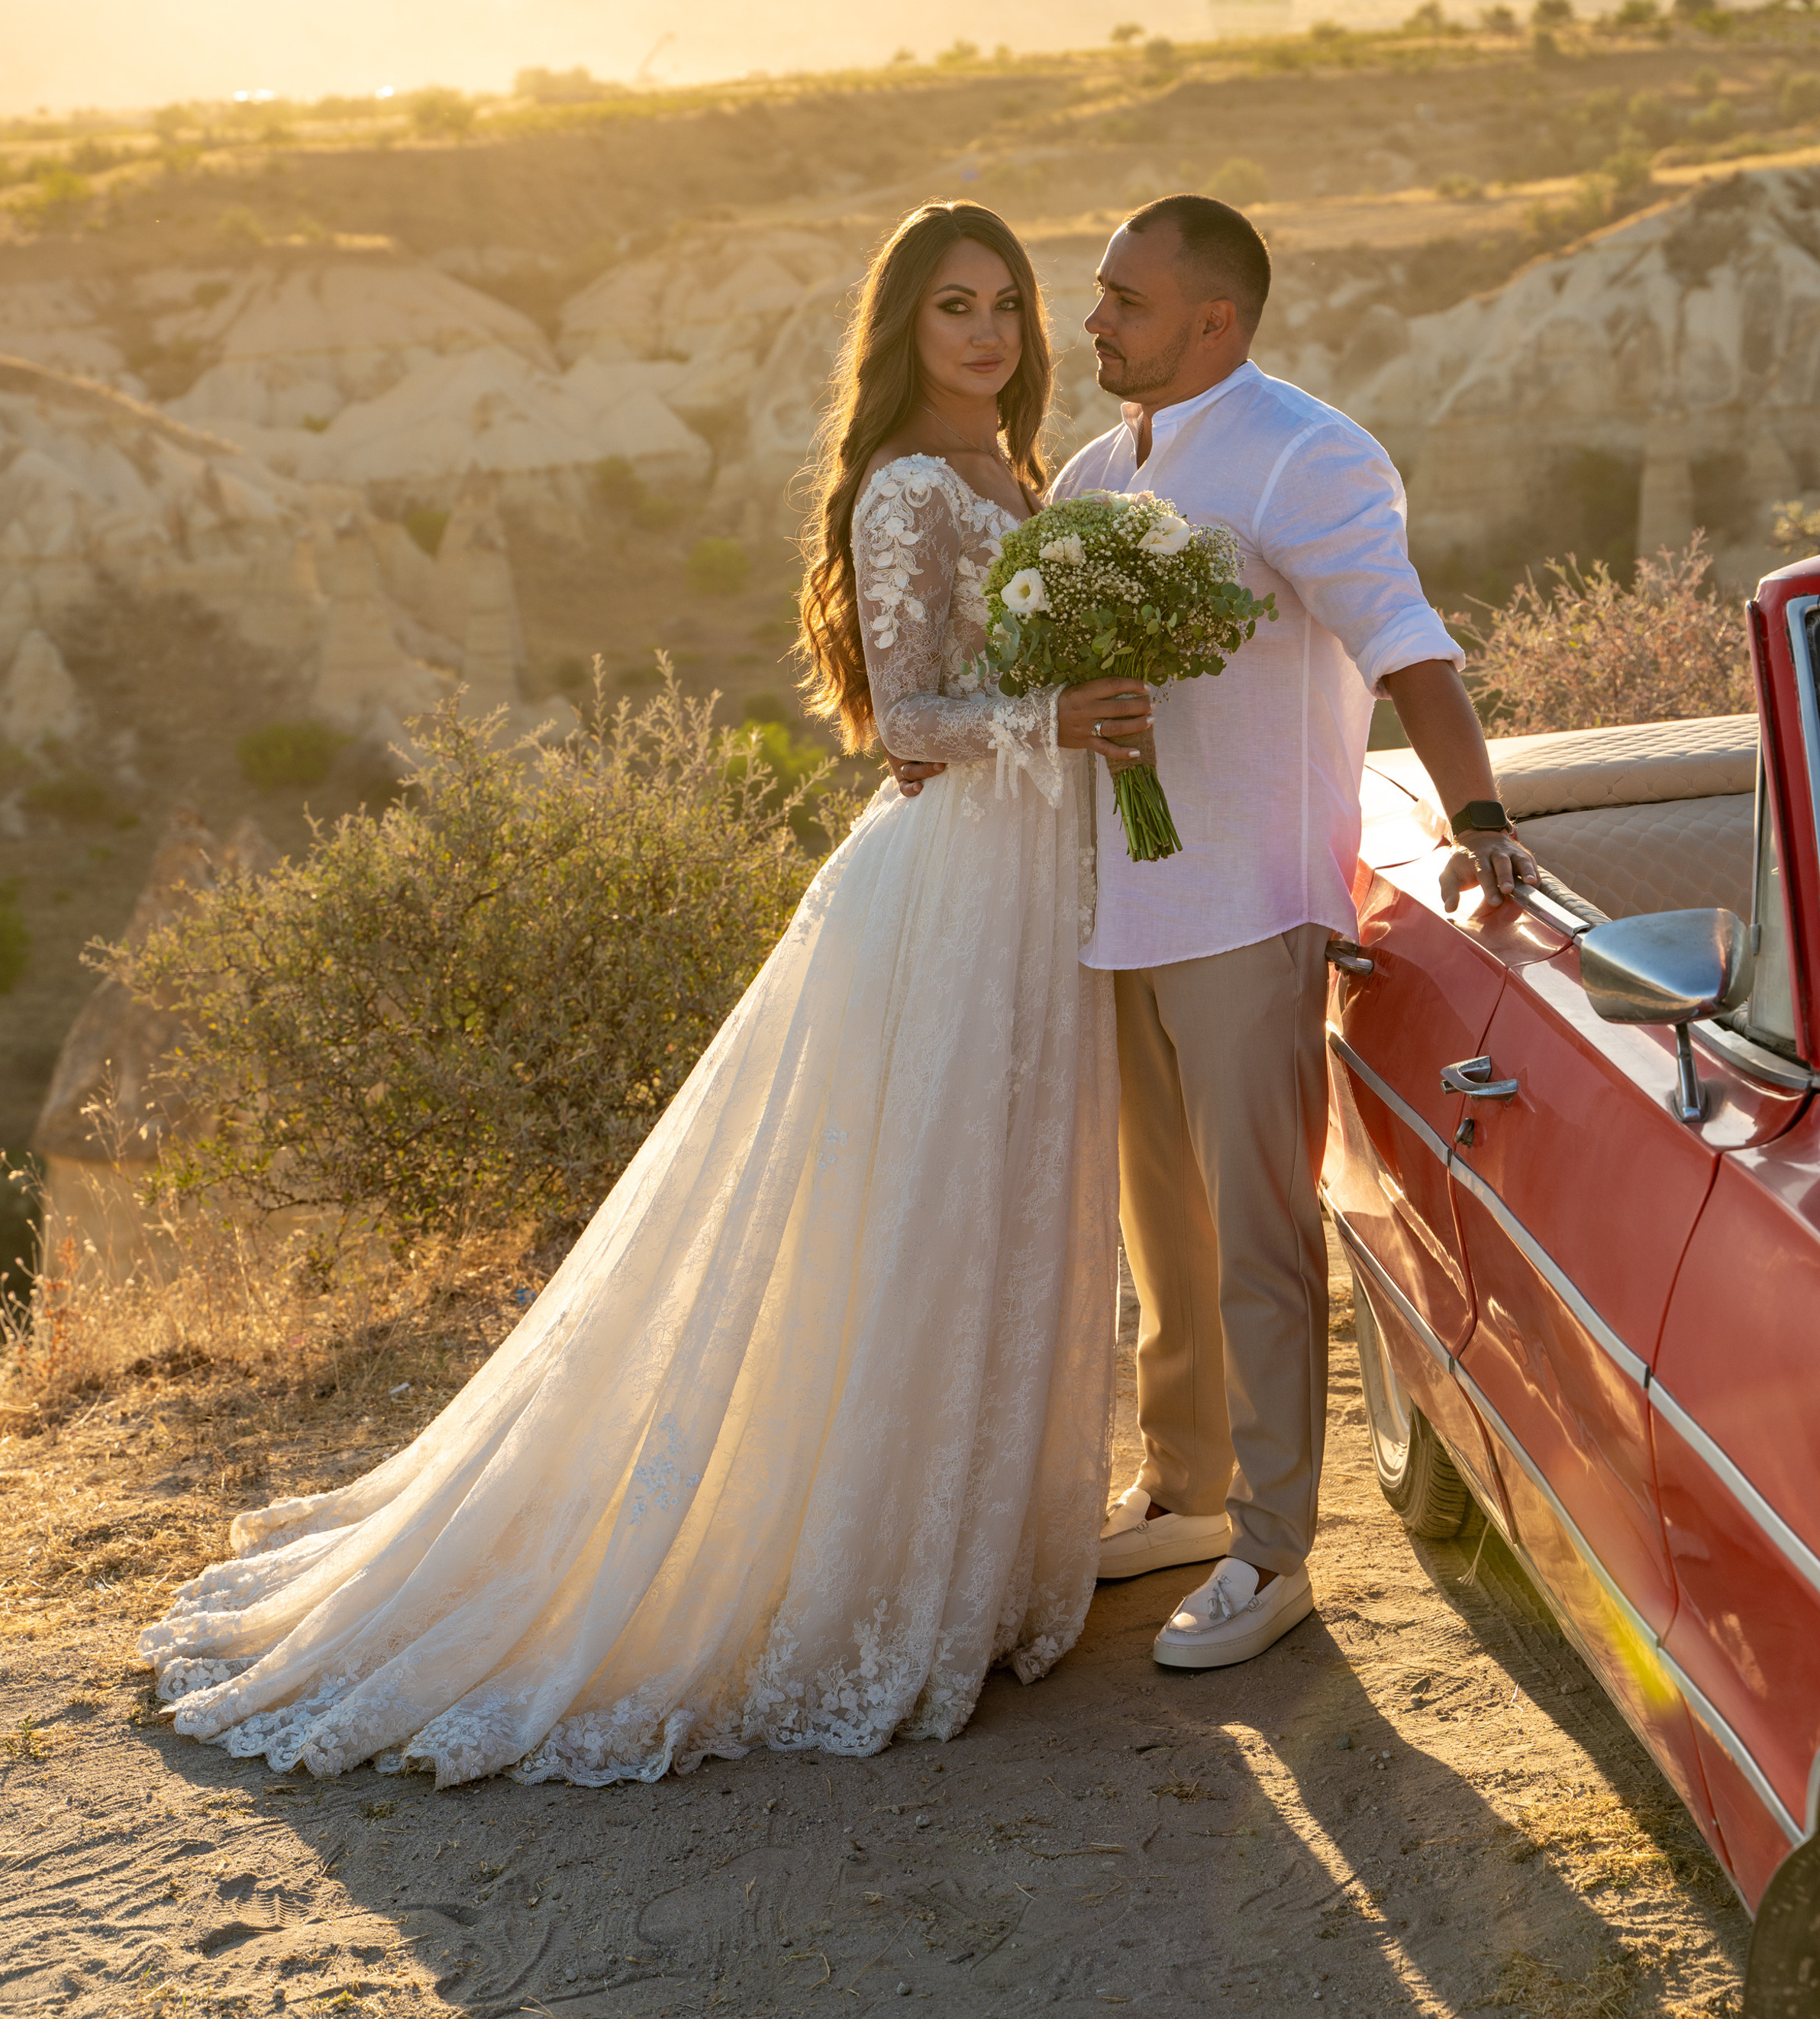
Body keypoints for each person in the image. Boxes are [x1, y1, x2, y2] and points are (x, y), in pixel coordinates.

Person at [139, 202, 1155, 1786]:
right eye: (951, 306)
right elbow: (906, 725)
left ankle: (976, 1558)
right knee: (915, 1216)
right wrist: (1060, 717)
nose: (986, 334)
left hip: (1038, 888)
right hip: (954, 889)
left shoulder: (1016, 478)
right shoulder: (902, 491)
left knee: (1007, 1205)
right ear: (899, 334)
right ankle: (864, 1582)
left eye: (1007, 305)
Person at [891, 196, 1537, 1675]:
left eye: (1122, 300)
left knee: (1256, 1233)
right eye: (1099, 296)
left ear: (1213, 325)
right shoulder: (1099, 477)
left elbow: (1406, 644)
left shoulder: (1306, 455)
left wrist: (1480, 814)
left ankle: (1269, 1548)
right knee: (1157, 1235)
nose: (1090, 322)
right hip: (1114, 903)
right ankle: (1181, 1491)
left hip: (1247, 906)